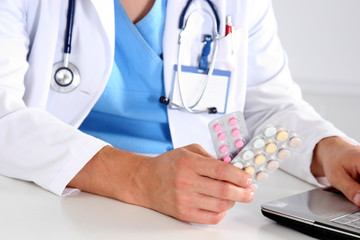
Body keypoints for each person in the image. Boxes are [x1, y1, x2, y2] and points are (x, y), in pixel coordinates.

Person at [0, 0, 359, 225]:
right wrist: (138, 177)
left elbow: (270, 103)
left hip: (191, 211)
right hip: (53, 202)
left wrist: (329, 149)